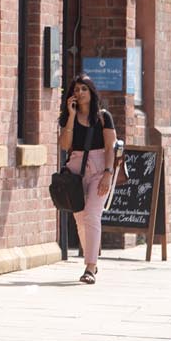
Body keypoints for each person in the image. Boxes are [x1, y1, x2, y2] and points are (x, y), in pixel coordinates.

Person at [57, 74, 117, 284]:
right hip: (75, 170)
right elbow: (65, 145)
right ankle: (91, 258)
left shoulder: (103, 117)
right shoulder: (68, 118)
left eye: (84, 89)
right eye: (76, 89)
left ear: (91, 92)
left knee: (92, 215)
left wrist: (108, 173)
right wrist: (71, 116)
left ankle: (90, 267)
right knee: (80, 218)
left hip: (100, 169)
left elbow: (110, 147)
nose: (80, 93)